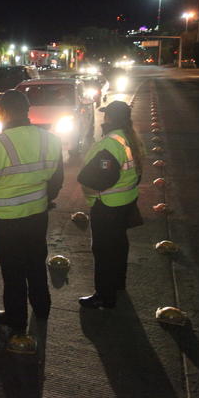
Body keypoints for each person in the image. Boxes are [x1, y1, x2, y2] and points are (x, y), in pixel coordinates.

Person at [0, 89, 64, 345]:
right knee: (35, 262)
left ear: (2, 113)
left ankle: (16, 318)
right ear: (27, 110)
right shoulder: (50, 140)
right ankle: (42, 308)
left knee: (12, 272)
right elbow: (56, 182)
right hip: (37, 216)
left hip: (6, 221)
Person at [77, 100, 144, 309]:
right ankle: (118, 283)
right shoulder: (131, 138)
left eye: (106, 115)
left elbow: (100, 176)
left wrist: (88, 185)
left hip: (107, 205)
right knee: (118, 245)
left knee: (103, 250)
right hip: (126, 200)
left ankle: (104, 296)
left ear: (110, 118)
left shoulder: (110, 143)